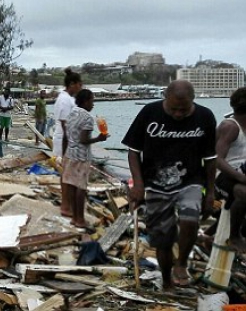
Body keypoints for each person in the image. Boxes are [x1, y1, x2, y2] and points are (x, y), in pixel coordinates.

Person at [122, 80, 217, 290]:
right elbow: (133, 152)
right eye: (173, 109)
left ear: (193, 101)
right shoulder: (149, 113)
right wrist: (138, 185)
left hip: (190, 181)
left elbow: (211, 159)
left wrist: (210, 192)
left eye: (184, 110)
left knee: (190, 219)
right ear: (165, 97)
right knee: (163, 239)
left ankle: (181, 263)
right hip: (155, 183)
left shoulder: (205, 117)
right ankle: (166, 281)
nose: (178, 114)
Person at [62, 89, 108, 228]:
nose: (93, 104)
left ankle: (74, 218)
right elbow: (84, 140)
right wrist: (99, 138)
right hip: (82, 157)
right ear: (86, 101)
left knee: (71, 185)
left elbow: (67, 135)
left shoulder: (72, 113)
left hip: (70, 154)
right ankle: (80, 219)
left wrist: (63, 154)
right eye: (92, 101)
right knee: (80, 188)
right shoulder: (87, 118)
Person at [214, 87, 246, 251]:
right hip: (221, 177)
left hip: (240, 173)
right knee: (243, 192)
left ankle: (210, 232)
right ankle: (234, 236)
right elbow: (217, 160)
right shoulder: (230, 127)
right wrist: (240, 177)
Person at [54, 68, 83, 216]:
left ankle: (67, 204)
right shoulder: (64, 100)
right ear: (72, 84)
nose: (81, 88)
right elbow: (65, 125)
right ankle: (66, 207)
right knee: (67, 174)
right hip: (66, 142)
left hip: (69, 141)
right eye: (79, 84)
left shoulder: (68, 99)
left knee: (68, 174)